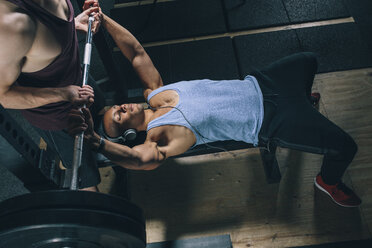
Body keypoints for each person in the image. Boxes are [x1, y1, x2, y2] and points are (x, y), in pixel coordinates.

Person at [69, 13, 361, 207]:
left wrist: (104, 20)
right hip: (271, 121)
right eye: (119, 115)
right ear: (130, 132)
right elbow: (139, 160)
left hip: (263, 84)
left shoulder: (155, 92)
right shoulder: (159, 139)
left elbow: (135, 52)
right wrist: (97, 142)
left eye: (116, 107)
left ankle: (302, 101)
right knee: (345, 146)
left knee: (308, 59)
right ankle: (328, 182)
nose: (121, 106)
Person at [0, 0, 103, 191]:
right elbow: (3, 96)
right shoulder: (11, 26)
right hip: (59, 117)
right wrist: (63, 93)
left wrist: (72, 26)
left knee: (103, 125)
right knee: (87, 183)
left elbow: (42, 43)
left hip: (80, 80)